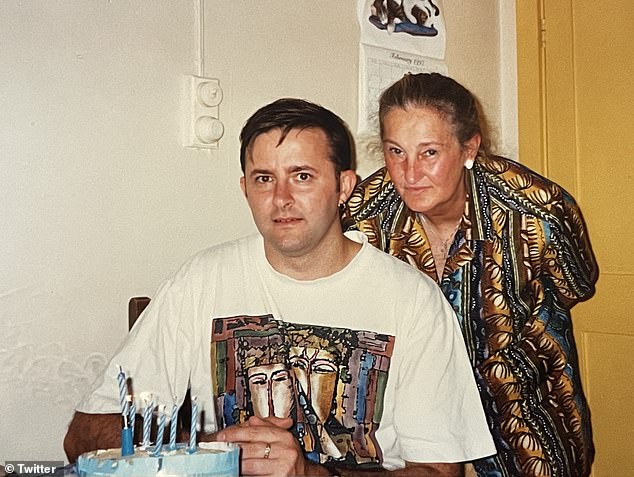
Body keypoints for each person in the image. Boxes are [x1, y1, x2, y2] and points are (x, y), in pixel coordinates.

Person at [63, 98, 495, 476]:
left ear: (344, 186)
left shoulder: (413, 301)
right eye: (264, 178)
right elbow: (84, 433)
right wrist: (209, 454)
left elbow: (440, 470)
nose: (281, 198)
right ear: (244, 189)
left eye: (302, 176)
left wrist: (310, 474)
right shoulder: (202, 280)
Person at [343, 73, 599, 477]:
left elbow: (577, 285)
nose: (409, 174)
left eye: (429, 153)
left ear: (469, 147)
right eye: (396, 152)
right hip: (417, 431)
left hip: (526, 422)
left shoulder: (537, 210)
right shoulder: (364, 212)